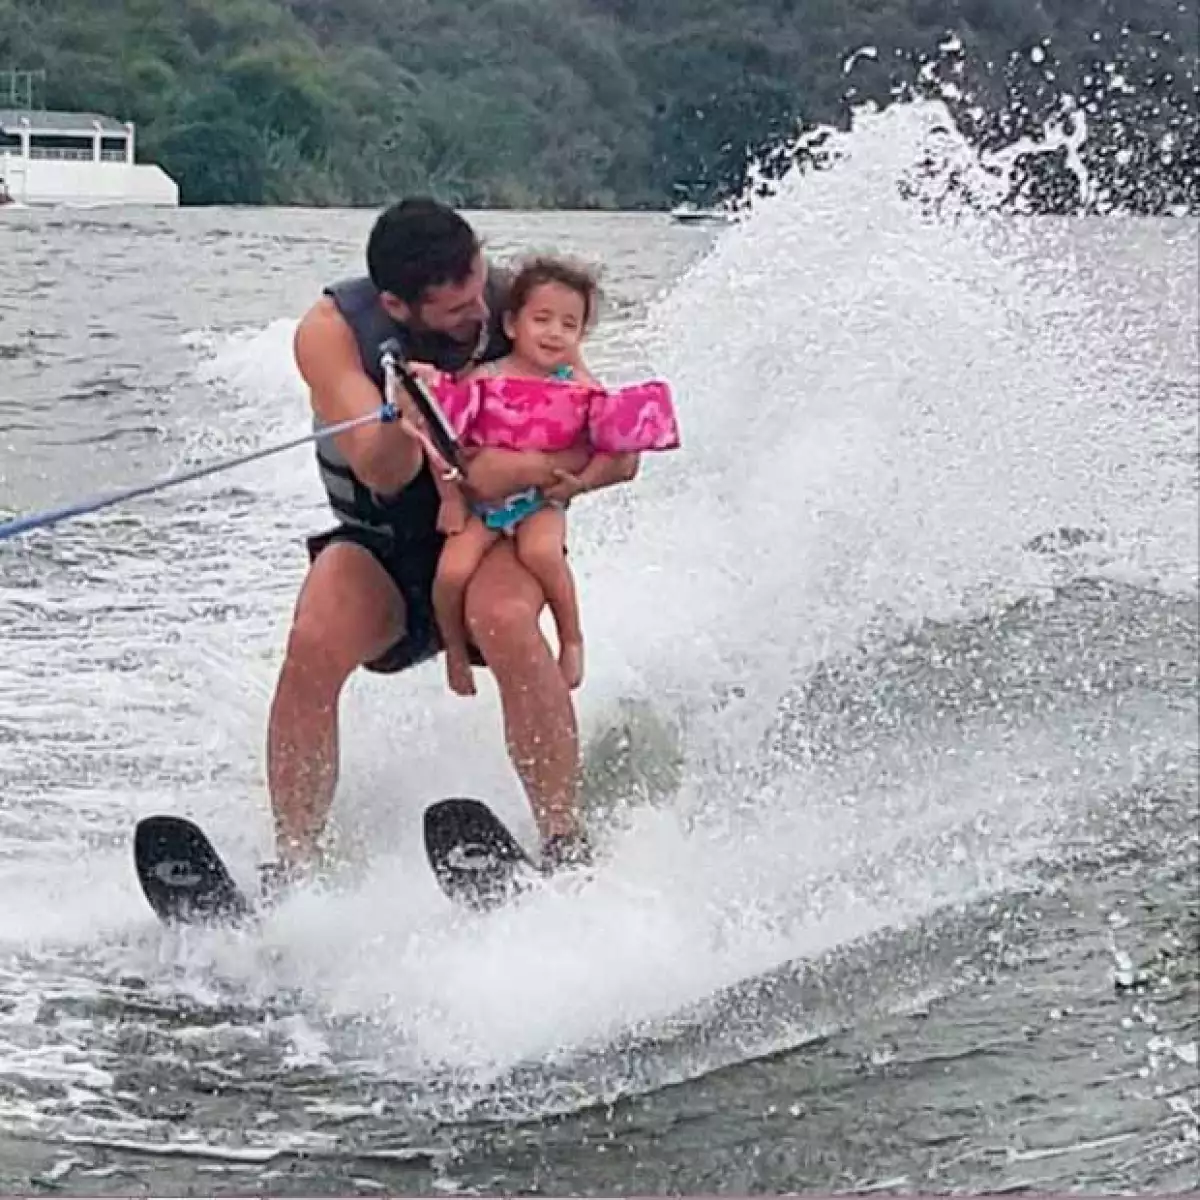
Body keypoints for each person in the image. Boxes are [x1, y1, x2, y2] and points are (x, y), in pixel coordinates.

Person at [262, 197, 607, 892]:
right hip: (383, 547)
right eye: (456, 311)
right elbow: (380, 469)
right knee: (313, 638)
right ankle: (293, 867)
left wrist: (542, 474)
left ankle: (564, 842)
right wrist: (407, 418)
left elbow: (584, 427)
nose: (479, 316)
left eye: (480, 288)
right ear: (397, 304)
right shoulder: (331, 334)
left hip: (492, 538)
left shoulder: (514, 306)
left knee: (507, 620)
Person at [411, 256, 680, 699]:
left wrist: (582, 483)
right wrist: (451, 499)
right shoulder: (484, 379)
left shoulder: (580, 387)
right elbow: (445, 440)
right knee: (451, 572)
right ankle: (456, 653)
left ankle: (571, 638)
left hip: (541, 500)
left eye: (569, 325)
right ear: (513, 324)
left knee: (542, 553)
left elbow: (612, 446)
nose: (555, 332)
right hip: (483, 503)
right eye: (542, 319)